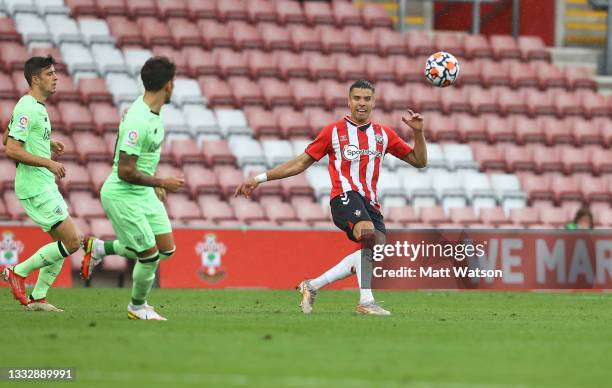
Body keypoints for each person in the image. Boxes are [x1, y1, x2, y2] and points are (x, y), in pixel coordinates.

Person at [235, 79, 427, 315]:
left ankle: (312, 286)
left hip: (370, 202)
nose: (362, 103)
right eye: (357, 98)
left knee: (374, 250)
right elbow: (300, 163)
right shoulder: (334, 132)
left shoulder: (383, 135)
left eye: (367, 99)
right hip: (344, 196)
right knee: (367, 234)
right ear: (349, 101)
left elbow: (419, 161)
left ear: (374, 102)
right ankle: (366, 302)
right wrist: (260, 178)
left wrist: (418, 133)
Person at [80, 56, 185, 321]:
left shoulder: (151, 112)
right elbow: (125, 171)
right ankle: (137, 307)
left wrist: (153, 183)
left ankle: (101, 248)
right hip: (122, 194)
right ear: (169, 85)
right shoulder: (138, 120)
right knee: (149, 256)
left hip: (143, 192)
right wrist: (161, 182)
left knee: (166, 250)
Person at [1, 55, 83, 312]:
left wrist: (48, 143)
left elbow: (7, 136)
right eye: (49, 74)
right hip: (36, 186)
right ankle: (17, 272)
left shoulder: (34, 106)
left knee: (61, 246)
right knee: (72, 242)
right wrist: (48, 162)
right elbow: (11, 149)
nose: (56, 77)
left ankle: (38, 298)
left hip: (43, 184)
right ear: (35, 79)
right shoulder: (27, 107)